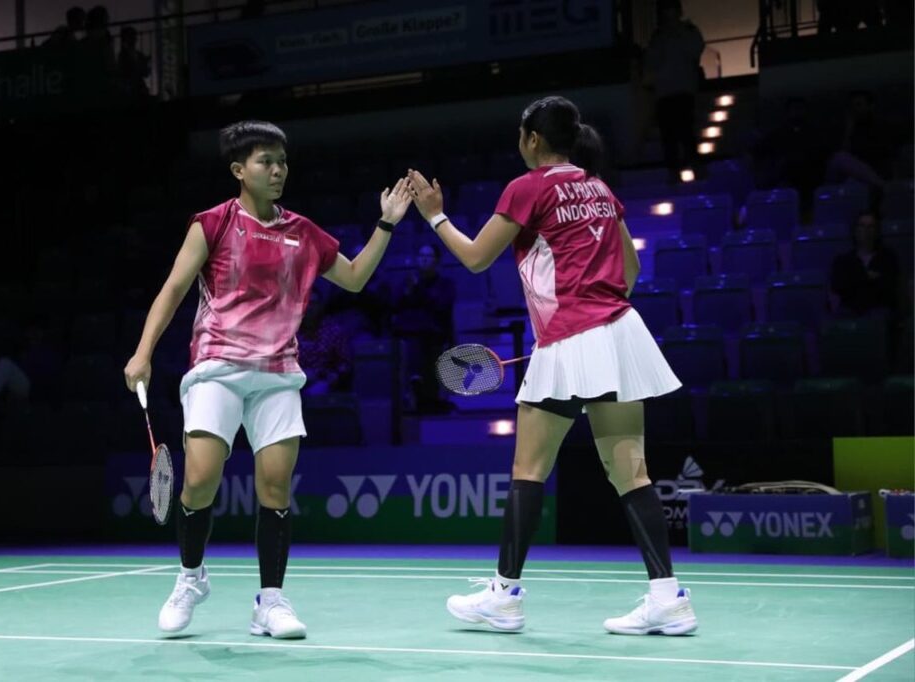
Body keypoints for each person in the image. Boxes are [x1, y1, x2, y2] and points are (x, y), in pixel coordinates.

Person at [406, 95, 697, 636]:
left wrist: (434, 215)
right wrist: (595, 309)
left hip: (570, 338)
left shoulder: (528, 187)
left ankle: (504, 596)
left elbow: (475, 258)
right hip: (619, 334)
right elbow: (631, 269)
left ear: (532, 139)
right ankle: (667, 598)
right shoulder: (599, 188)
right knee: (631, 471)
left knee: (529, 469)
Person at [123, 120, 411, 639]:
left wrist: (386, 224)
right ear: (239, 170)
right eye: (265, 162)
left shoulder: (304, 232)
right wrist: (143, 352)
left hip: (277, 374)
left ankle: (271, 602)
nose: (278, 170)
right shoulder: (211, 224)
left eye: (282, 162)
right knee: (199, 480)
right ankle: (190, 578)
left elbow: (354, 278)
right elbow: (173, 289)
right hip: (217, 366)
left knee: (275, 487)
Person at [644, 0, 705, 182]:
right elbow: (651, 60)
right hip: (666, 91)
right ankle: (675, 171)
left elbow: (696, 50)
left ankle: (693, 166)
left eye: (671, 10)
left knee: (685, 131)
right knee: (670, 135)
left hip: (682, 88)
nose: (669, 14)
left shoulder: (686, 31)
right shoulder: (659, 36)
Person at [392, 242, 456, 413]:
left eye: (428, 256)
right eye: (421, 256)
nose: (424, 260)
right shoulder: (407, 282)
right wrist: (408, 292)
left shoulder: (445, 284)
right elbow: (395, 304)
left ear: (437, 260)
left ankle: (420, 387)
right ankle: (414, 385)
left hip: (434, 333)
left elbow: (440, 306)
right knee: (412, 344)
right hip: (409, 333)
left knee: (424, 348)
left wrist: (418, 290)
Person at [830, 210, 901, 317]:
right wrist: (870, 278)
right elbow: (839, 289)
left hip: (880, 315)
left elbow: (889, 289)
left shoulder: (888, 258)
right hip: (851, 315)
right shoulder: (842, 261)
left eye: (871, 226)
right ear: (855, 230)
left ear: (877, 231)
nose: (866, 231)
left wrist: (857, 279)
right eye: (862, 226)